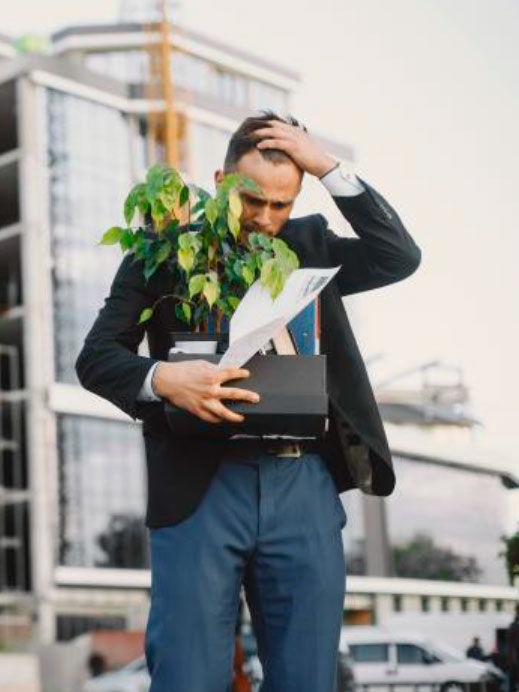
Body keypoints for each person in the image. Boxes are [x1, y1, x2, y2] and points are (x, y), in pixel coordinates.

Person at [75, 110, 421, 691]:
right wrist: (163, 378)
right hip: (200, 487)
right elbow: (96, 357)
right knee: (187, 678)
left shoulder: (313, 246)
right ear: (221, 182)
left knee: (307, 680)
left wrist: (328, 167)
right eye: (251, 201)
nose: (264, 219)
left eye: (280, 204)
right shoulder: (161, 254)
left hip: (303, 485)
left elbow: (397, 256)